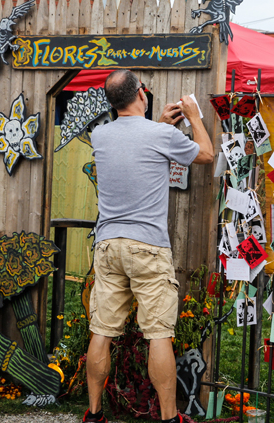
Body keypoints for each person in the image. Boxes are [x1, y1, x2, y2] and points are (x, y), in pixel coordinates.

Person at [83, 70, 214, 423]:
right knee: (158, 335)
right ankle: (171, 418)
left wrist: (159, 125)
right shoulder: (160, 135)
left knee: (102, 332)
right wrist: (194, 116)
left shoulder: (100, 135)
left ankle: (93, 415)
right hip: (147, 247)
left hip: (108, 245)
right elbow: (205, 153)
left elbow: (134, 144)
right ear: (142, 93)